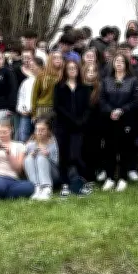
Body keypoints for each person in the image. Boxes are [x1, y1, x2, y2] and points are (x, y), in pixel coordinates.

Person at [99, 54, 138, 190]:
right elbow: (102, 99)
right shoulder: (106, 80)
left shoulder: (133, 80)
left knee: (125, 149)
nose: (118, 63)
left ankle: (122, 178)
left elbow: (136, 100)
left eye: (121, 61)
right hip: (109, 119)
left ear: (126, 64)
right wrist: (110, 111)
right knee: (109, 149)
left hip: (126, 119)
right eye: (116, 61)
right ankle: (110, 178)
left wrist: (121, 110)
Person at [53, 60, 92, 195]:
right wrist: (72, 120)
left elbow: (88, 107)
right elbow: (58, 107)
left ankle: (81, 182)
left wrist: (81, 121)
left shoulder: (85, 87)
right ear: (65, 71)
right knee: (63, 155)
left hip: (79, 127)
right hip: (63, 126)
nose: (72, 70)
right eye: (69, 68)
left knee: (76, 155)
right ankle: (65, 183)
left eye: (74, 68)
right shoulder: (59, 87)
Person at [24, 117, 59, 200]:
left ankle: (47, 188)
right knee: (28, 158)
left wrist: (48, 155)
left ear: (48, 131)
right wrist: (31, 155)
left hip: (53, 174)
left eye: (42, 130)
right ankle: (36, 187)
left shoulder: (54, 142)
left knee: (41, 157)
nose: (39, 132)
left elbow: (57, 162)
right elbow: (25, 164)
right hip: (37, 175)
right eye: (37, 130)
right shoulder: (30, 144)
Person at [31, 51, 63, 120]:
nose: (58, 59)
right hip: (44, 107)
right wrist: (34, 114)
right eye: (55, 58)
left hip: (61, 109)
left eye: (60, 58)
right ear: (50, 59)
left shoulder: (64, 75)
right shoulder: (42, 75)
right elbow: (34, 95)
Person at [15, 57, 40, 142]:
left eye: (33, 65)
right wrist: (21, 110)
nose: (31, 67)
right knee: (23, 137)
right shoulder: (26, 82)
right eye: (30, 66)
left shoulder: (45, 81)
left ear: (40, 66)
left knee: (38, 137)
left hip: (40, 115)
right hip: (26, 114)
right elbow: (20, 98)